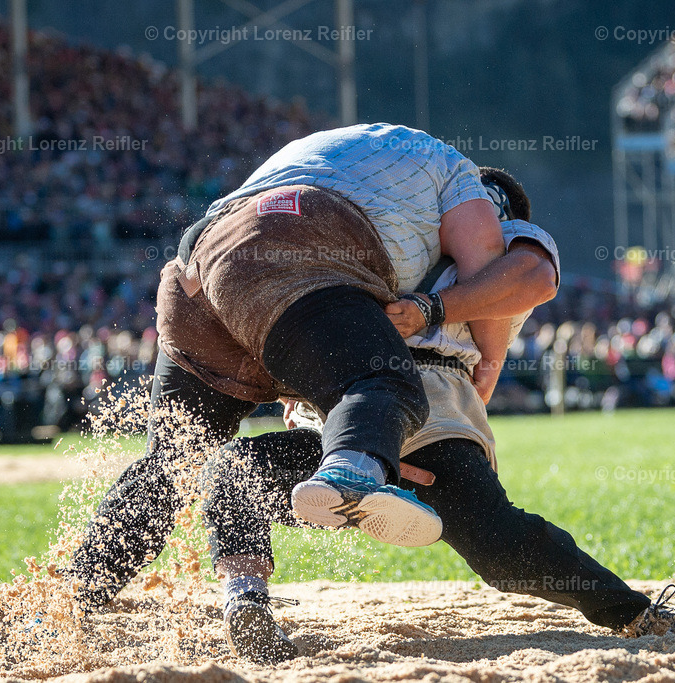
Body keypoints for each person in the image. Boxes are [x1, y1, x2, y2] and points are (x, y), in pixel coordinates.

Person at [202, 171, 675, 663]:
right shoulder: (390, 235)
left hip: (428, 403)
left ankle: (635, 613)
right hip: (349, 411)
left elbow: (534, 274)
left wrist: (431, 308)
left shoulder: (499, 234)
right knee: (238, 470)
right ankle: (247, 603)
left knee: (500, 546)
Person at [65, 123, 513, 609]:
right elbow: (487, 263)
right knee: (381, 381)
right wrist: (486, 365)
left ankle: (70, 599)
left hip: (196, 272)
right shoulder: (460, 176)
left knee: (173, 464)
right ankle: (352, 477)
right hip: (287, 247)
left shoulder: (351, 154)